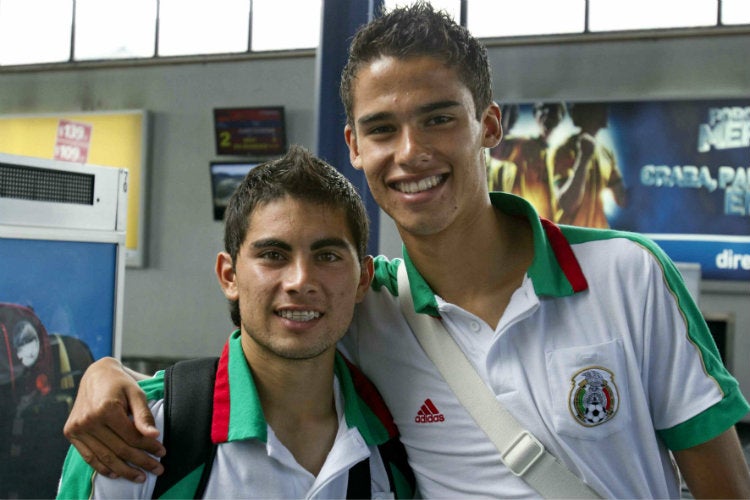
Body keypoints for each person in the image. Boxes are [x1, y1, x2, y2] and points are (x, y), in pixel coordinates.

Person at [63, 3, 750, 498]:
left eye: (439, 118)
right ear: (355, 146)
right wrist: (102, 374)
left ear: (488, 124)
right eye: (382, 128)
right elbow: (264, 337)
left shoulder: (628, 277)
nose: (411, 151)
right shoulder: (365, 303)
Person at [56, 145, 415, 499]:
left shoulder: (398, 444)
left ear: (363, 279)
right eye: (273, 255)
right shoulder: (135, 438)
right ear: (229, 276)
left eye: (327, 255)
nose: (300, 281)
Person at [553, 102, 627, 228]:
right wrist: (583, 158)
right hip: (571, 238)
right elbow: (567, 204)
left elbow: (622, 200)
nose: (605, 111)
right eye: (599, 107)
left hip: (599, 235)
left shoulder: (606, 153)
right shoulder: (565, 150)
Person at [488, 102, 566, 220]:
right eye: (542, 109)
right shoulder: (523, 145)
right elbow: (496, 151)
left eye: (553, 110)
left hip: (549, 228)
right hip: (524, 225)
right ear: (535, 114)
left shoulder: (560, 153)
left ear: (561, 117)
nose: (548, 114)